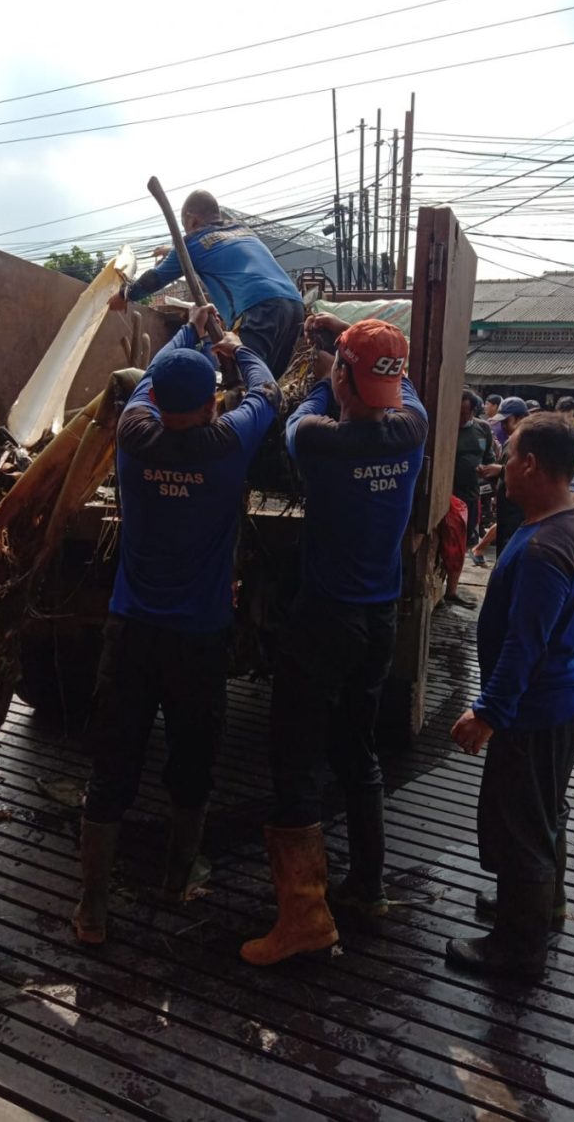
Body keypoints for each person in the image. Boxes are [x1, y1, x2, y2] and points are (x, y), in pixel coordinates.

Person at [73, 304, 281, 946]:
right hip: (199, 640)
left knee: (112, 766)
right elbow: (268, 392)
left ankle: (92, 911)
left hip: (130, 632)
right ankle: (175, 878)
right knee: (193, 763)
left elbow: (148, 379)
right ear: (214, 402)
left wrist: (191, 332)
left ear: (159, 401)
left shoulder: (134, 434)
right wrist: (235, 346)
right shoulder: (227, 445)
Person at [240, 313, 428, 966]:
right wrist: (349, 348)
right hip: (379, 619)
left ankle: (304, 918)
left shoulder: (317, 438)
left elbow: (302, 411)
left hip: (325, 619)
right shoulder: (413, 429)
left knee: (295, 758)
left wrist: (328, 367)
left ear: (345, 380)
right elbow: (401, 385)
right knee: (357, 747)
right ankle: (368, 886)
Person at [446, 413, 574, 981]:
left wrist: (487, 712)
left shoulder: (543, 550)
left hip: (535, 711)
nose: (502, 466)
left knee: (521, 827)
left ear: (531, 464)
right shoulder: (571, 521)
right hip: (564, 701)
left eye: (508, 456)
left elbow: (524, 644)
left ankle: (517, 949)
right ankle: (539, 905)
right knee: (545, 811)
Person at [110, 189, 305, 379]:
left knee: (248, 381)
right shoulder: (241, 230)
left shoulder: (190, 243)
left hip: (258, 308)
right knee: (268, 381)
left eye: (186, 226)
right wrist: (171, 250)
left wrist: (124, 295)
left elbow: (155, 278)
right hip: (295, 305)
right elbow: (213, 245)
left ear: (192, 219)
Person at [445, 388, 495, 607]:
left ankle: (452, 589)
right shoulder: (445, 428)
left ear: (473, 410)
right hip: (446, 495)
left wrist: (486, 471)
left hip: (470, 496)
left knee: (463, 543)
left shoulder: (483, 429)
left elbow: (489, 458)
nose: (459, 417)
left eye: (464, 412)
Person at [472, 397, 529, 564]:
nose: (503, 426)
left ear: (520, 418)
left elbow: (527, 476)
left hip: (518, 510)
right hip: (506, 507)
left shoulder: (528, 443)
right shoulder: (511, 440)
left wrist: (501, 471)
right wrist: (492, 473)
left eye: (507, 421)